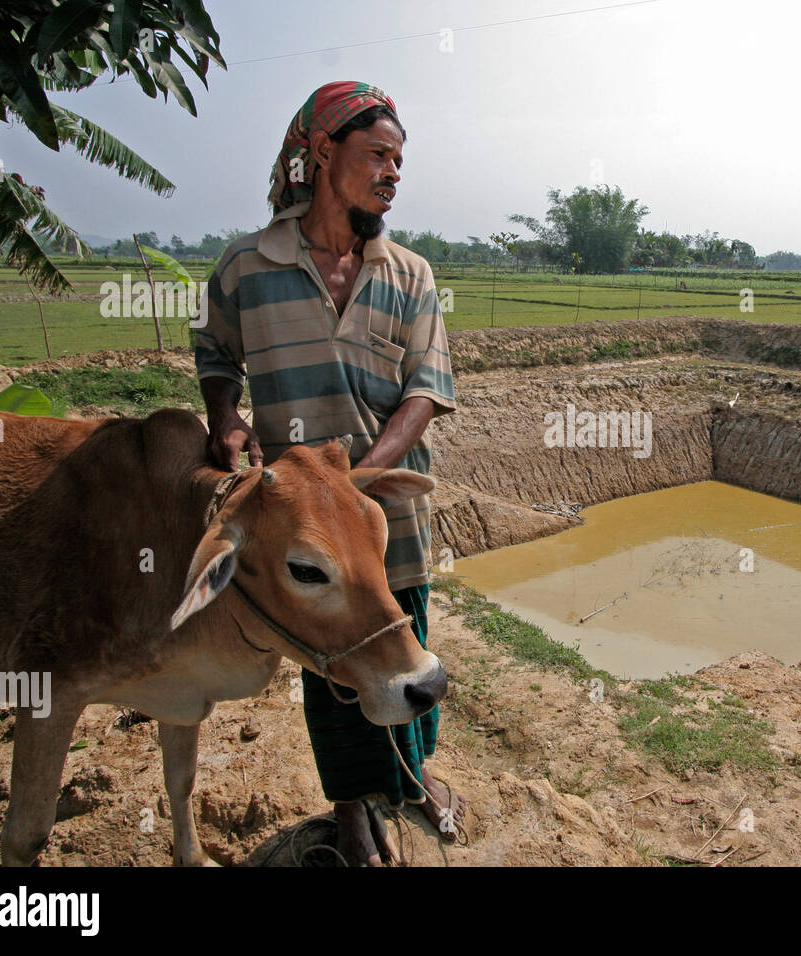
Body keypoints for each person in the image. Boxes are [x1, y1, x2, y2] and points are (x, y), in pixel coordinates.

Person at [195, 81, 464, 865]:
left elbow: (426, 390)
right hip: (304, 526)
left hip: (389, 516)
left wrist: (361, 480)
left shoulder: (409, 273)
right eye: (377, 154)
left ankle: (411, 777)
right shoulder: (248, 266)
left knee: (404, 635)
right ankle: (352, 807)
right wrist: (226, 416)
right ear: (319, 154)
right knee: (333, 663)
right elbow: (216, 356)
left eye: (399, 161)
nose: (392, 173)